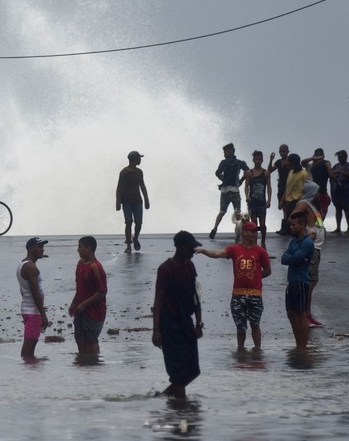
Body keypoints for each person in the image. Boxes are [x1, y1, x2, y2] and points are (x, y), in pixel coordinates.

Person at [195, 221, 271, 351]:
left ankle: (257, 350)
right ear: (243, 233)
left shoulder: (261, 251)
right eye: (251, 231)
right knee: (240, 326)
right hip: (238, 294)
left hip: (255, 294)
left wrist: (255, 277)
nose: (254, 234)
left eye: (255, 231)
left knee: (255, 324)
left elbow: (268, 271)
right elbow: (218, 254)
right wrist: (203, 250)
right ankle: (240, 349)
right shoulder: (235, 249)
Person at [152, 231, 204, 400]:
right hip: (169, 325)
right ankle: (182, 411)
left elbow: (196, 296)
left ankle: (166, 396)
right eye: (190, 248)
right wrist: (156, 330)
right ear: (180, 247)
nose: (192, 252)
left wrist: (199, 324)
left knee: (193, 370)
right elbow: (158, 300)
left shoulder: (190, 266)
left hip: (186, 323)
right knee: (177, 373)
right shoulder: (165, 269)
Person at [281, 207, 315, 352]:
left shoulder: (307, 242)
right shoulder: (294, 242)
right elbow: (284, 258)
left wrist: (290, 258)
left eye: (294, 225)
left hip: (301, 281)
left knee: (300, 312)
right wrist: (290, 258)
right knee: (290, 312)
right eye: (291, 224)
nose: (291, 227)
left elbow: (294, 259)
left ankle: (303, 345)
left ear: (302, 225)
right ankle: (298, 343)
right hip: (292, 281)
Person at [69, 236, 108, 356]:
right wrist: (73, 303)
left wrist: (84, 304)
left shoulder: (96, 267)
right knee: (79, 338)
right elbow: (79, 287)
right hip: (80, 309)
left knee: (91, 340)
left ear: (89, 248)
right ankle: (83, 365)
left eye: (80, 247)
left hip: (94, 311)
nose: (78, 250)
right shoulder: (80, 264)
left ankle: (94, 365)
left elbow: (102, 291)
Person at [296, 181, 325, 328]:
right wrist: (304, 234)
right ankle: (304, 316)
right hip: (311, 248)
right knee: (309, 284)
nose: (319, 195)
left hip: (316, 248)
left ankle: (308, 315)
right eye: (317, 192)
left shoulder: (311, 206)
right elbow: (293, 218)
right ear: (312, 193)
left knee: (312, 283)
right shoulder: (304, 204)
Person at [17, 237, 49, 360]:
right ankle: (28, 372)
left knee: (30, 344)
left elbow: (23, 290)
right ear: (30, 248)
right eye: (39, 247)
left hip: (28, 309)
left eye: (43, 247)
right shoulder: (31, 267)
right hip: (33, 312)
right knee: (29, 346)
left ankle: (29, 372)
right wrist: (43, 314)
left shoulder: (23, 264)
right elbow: (35, 293)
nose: (42, 250)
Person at [210, 143, 249, 240]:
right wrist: (241, 180)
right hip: (235, 190)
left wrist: (223, 179)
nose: (224, 154)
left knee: (222, 211)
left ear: (230, 151)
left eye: (225, 152)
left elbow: (217, 173)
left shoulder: (223, 162)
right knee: (237, 212)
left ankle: (215, 228)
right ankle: (240, 232)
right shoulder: (240, 162)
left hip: (224, 190)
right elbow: (248, 171)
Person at [116, 150, 150, 253]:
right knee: (128, 222)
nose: (140, 160)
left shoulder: (139, 172)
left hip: (138, 201)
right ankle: (129, 246)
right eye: (139, 158)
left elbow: (142, 186)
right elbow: (119, 188)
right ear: (134, 159)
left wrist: (146, 200)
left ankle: (135, 238)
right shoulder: (124, 172)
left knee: (139, 223)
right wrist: (118, 201)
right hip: (126, 201)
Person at [243, 150, 272, 244]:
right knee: (254, 224)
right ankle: (254, 242)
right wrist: (247, 196)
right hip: (252, 202)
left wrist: (269, 200)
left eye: (260, 159)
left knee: (262, 225)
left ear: (262, 160)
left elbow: (269, 187)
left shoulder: (266, 173)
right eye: (256, 159)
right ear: (253, 160)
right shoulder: (249, 173)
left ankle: (263, 241)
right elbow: (246, 186)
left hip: (262, 202)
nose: (258, 161)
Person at [302, 148, 333, 219]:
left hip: (320, 189)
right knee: (313, 209)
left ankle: (319, 225)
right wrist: (312, 158)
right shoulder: (310, 164)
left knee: (321, 209)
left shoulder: (324, 164)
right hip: (311, 190)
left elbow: (330, 174)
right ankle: (317, 226)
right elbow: (302, 162)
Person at [330, 150, 349, 234]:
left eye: (341, 157)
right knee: (338, 209)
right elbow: (331, 174)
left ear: (345, 157)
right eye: (338, 158)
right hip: (336, 190)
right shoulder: (336, 166)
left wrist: (340, 172)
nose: (340, 159)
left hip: (346, 190)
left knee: (346, 207)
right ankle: (338, 227)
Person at [281, 154, 307, 232]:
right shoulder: (291, 172)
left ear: (294, 163)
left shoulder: (303, 174)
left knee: (295, 228)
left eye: (289, 162)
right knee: (289, 230)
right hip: (288, 202)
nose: (287, 163)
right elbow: (288, 187)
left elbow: (305, 190)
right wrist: (282, 200)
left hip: (296, 202)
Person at [272, 144, 290, 234]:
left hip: (289, 186)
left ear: (288, 152)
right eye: (281, 152)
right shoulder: (279, 162)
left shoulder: (290, 161)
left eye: (284, 151)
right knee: (283, 207)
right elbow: (270, 170)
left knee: (287, 207)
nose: (283, 153)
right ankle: (285, 227)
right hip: (281, 186)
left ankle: (286, 228)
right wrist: (271, 160)